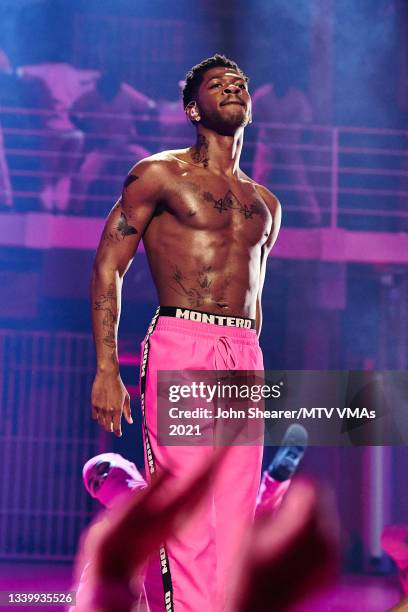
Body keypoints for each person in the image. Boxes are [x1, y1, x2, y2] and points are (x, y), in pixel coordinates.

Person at [90, 53, 282, 612]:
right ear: (191, 107)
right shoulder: (159, 174)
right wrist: (107, 368)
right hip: (182, 339)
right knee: (188, 515)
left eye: (240, 83)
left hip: (244, 352)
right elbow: (108, 265)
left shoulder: (265, 205)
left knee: (237, 512)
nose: (232, 89)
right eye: (218, 85)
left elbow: (256, 301)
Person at [70, 72, 154, 215]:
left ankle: (155, 209)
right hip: (102, 147)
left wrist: (142, 129)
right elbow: (72, 111)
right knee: (84, 174)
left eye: (111, 90)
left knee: (151, 166)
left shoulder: (126, 93)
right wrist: (85, 128)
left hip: (126, 144)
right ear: (98, 87)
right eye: (104, 90)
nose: (107, 94)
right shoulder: (91, 96)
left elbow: (150, 107)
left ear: (118, 87)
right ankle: (76, 211)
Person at [252, 76, 321, 226]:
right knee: (260, 177)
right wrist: (265, 123)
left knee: (299, 178)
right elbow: (250, 114)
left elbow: (307, 119)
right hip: (267, 141)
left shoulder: (297, 96)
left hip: (289, 142)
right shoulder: (263, 94)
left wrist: (292, 127)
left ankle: (314, 217)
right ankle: (255, 213)